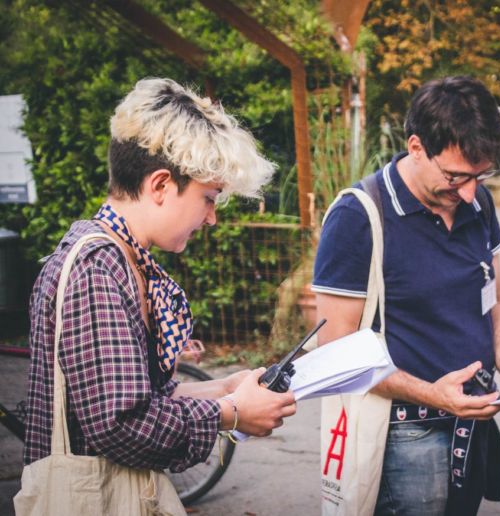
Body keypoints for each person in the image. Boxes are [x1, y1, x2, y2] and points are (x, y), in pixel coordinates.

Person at [21, 79, 297, 500]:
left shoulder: (123, 258)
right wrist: (233, 414)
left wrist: (223, 389)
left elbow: (140, 397)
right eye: (209, 197)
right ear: (161, 185)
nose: (211, 218)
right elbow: (123, 425)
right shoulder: (100, 268)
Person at [312, 76, 500, 516]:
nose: (469, 192)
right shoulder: (359, 216)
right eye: (456, 176)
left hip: (471, 426)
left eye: (480, 176)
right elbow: (335, 352)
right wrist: (431, 394)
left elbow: (493, 303)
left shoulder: (478, 205)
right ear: (416, 146)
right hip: (404, 437)